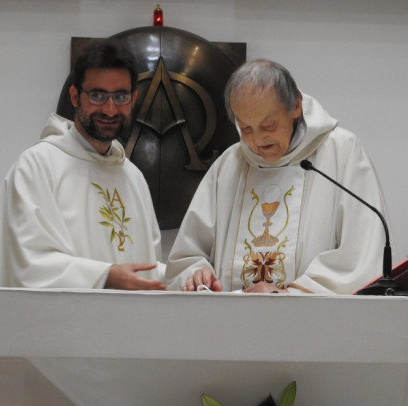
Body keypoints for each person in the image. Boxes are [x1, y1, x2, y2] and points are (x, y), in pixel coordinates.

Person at [165, 59, 388, 294]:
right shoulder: (230, 164)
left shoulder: (341, 152)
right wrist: (196, 274)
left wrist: (293, 293)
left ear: (296, 107)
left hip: (311, 315)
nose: (258, 140)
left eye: (268, 125)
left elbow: (361, 254)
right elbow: (187, 257)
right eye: (246, 129)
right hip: (229, 315)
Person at [0, 39, 165, 290]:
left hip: (130, 316)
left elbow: (149, 268)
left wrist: (188, 276)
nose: (110, 109)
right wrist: (105, 276)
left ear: (133, 99)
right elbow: (26, 265)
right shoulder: (35, 168)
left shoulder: (133, 177)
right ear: (75, 96)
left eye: (120, 96)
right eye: (97, 95)